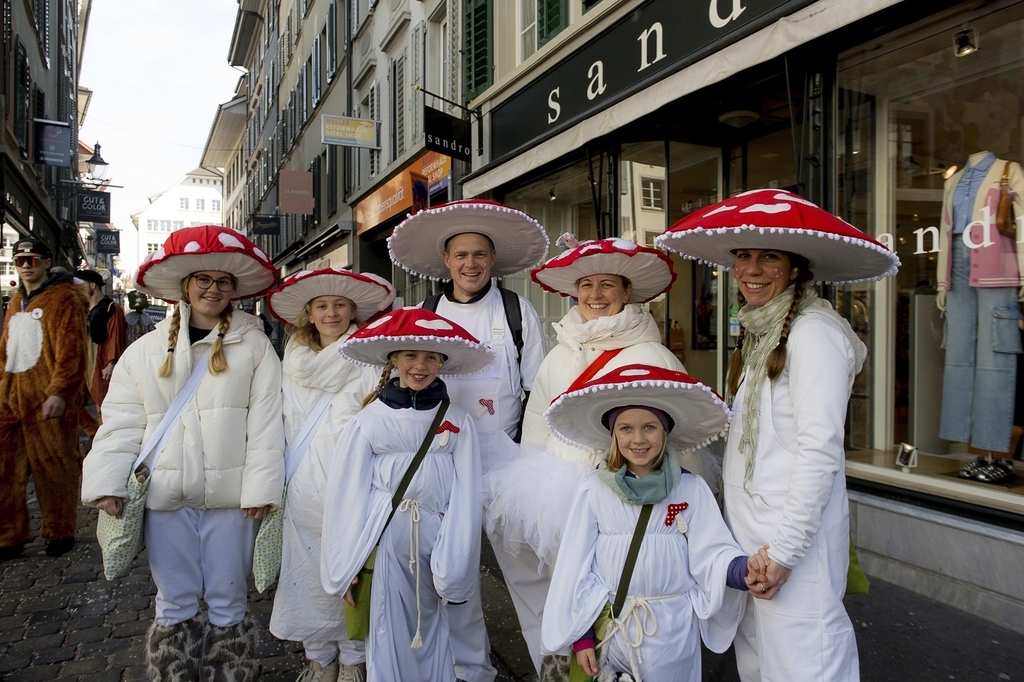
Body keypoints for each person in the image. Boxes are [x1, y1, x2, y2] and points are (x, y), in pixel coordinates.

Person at [656, 188, 900, 681]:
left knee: (806, 666)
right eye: (743, 256)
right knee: (761, 667)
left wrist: (785, 553)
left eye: (768, 257)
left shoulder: (813, 335)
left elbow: (819, 453)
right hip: (753, 545)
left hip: (793, 551)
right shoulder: (760, 333)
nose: (751, 269)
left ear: (795, 268)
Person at [81, 225, 284, 681]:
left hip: (232, 501)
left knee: (229, 600)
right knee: (174, 600)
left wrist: (260, 487)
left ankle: (229, 672)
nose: (213, 289)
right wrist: (108, 483)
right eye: (203, 280)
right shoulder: (145, 350)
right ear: (185, 286)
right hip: (166, 498)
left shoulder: (254, 347)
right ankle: (175, 673)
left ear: (234, 290)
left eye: (223, 282)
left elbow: (268, 424)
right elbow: (122, 422)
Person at [484, 237, 684, 677]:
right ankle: (568, 664)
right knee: (569, 589)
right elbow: (537, 422)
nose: (596, 295)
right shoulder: (559, 354)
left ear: (626, 292)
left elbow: (676, 433)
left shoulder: (651, 354)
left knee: (623, 591)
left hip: (627, 496)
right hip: (565, 497)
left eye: (607, 284)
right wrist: (535, 496)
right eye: (587, 284)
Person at [387, 199, 549, 681]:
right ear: (447, 261)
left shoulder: (519, 312)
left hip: (505, 461)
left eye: (480, 254)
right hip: (441, 462)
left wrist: (535, 462)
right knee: (447, 569)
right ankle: (463, 668)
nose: (470, 263)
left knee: (528, 572)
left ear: (492, 260)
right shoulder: (425, 312)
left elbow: (538, 390)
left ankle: (553, 661)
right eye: (461, 255)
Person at [542, 364, 755, 682]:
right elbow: (576, 566)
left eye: (649, 427)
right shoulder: (594, 489)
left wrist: (745, 571)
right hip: (613, 629)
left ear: (666, 431)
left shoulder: (690, 489)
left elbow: (712, 551)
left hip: (672, 633)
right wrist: (583, 636)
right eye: (625, 428)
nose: (638, 439)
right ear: (613, 434)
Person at [321, 307, 492, 682]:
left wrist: (456, 553)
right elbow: (348, 492)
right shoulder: (370, 420)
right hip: (386, 538)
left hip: (438, 535)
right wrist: (347, 559)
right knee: (388, 626)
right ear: (394, 359)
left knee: (437, 627)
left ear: (441, 362)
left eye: (430, 357)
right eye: (411, 356)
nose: (420, 365)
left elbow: (466, 493)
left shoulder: (458, 420)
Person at [265, 268, 396, 682]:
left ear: (353, 310)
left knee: (353, 572)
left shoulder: (371, 357)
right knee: (306, 578)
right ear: (309, 313)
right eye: (322, 306)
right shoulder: (291, 362)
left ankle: (353, 659)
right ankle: (319, 660)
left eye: (340, 305)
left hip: (352, 484)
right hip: (302, 485)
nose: (331, 312)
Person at [0, 238, 89, 560]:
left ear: (46, 262)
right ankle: (9, 535)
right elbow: (5, 349)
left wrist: (60, 393)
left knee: (54, 467)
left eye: (32, 259)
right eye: (20, 260)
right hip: (11, 396)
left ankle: (59, 530)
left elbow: (72, 351)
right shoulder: (14, 302)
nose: (26, 265)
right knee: (5, 468)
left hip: (46, 398)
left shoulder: (63, 299)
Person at [75, 269, 127, 424]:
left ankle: (102, 440)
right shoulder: (82, 309)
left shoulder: (111, 308)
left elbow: (115, 336)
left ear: (92, 285)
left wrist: (112, 362)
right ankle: (93, 433)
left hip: (100, 359)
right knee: (73, 401)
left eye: (81, 286)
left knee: (103, 404)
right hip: (83, 360)